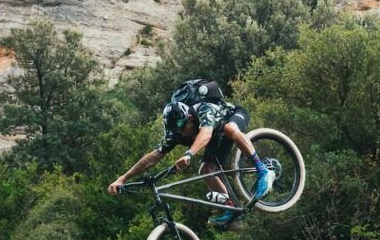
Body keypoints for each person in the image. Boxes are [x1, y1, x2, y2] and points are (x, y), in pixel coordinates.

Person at [107, 83, 274, 226]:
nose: (182, 134)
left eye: (183, 129)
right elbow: (153, 157)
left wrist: (188, 154)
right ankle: (230, 210)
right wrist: (123, 178)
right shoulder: (177, 133)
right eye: (177, 132)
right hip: (218, 137)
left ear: (189, 119)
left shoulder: (203, 110)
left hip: (232, 117)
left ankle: (263, 171)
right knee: (205, 171)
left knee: (230, 128)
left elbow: (206, 134)